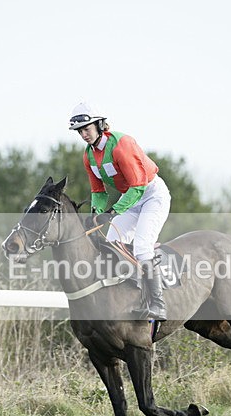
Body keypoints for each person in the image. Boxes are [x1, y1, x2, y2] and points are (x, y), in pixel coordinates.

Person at [68, 101, 171, 321]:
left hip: (152, 195)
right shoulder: (88, 156)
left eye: (86, 129)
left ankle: (158, 304)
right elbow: (98, 190)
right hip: (131, 198)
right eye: (80, 132)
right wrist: (96, 214)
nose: (83, 135)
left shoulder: (122, 145)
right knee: (112, 242)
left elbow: (138, 187)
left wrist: (112, 212)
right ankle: (128, 292)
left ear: (99, 125)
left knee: (142, 247)